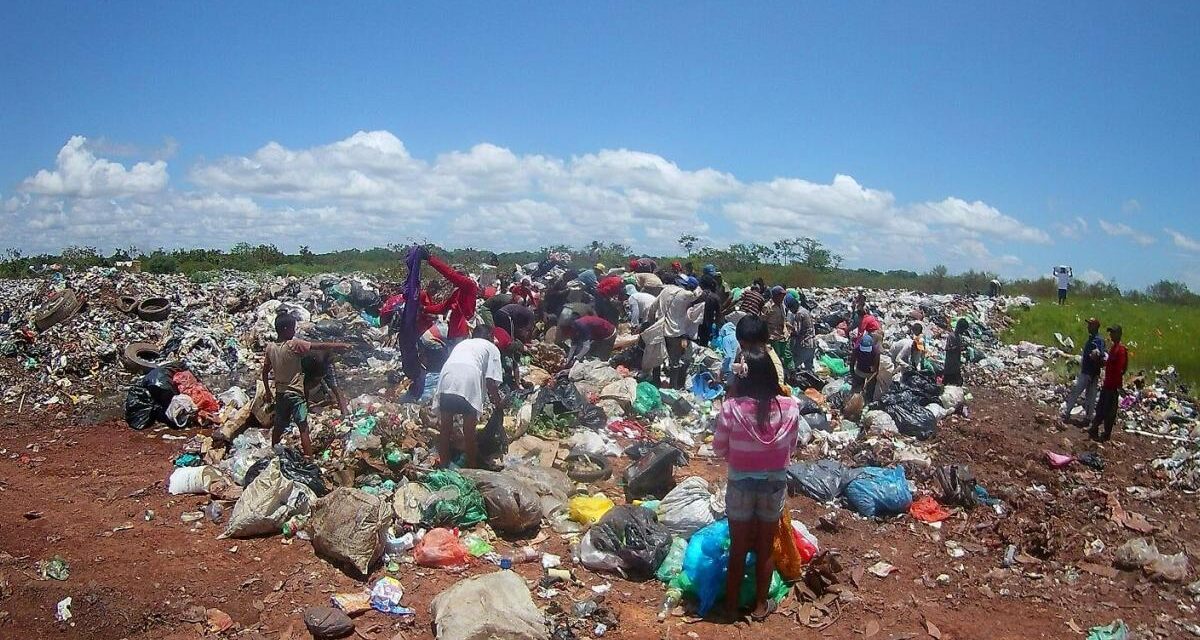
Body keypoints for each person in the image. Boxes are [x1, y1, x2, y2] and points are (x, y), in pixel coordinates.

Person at [712, 348, 801, 622]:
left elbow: (718, 448)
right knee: (765, 546)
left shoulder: (731, 408)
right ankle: (761, 606)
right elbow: (792, 446)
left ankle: (730, 607)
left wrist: (739, 457)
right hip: (773, 484)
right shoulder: (790, 407)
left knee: (738, 547)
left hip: (740, 483)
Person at [261, 311, 351, 456]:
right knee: (303, 428)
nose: (294, 331)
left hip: (280, 394)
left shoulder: (270, 347)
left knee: (279, 425)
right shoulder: (294, 344)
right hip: (296, 394)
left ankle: (274, 452)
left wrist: (268, 391)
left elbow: (264, 372)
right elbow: (319, 346)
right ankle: (309, 460)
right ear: (285, 330)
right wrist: (340, 345)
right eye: (292, 328)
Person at [432, 325, 506, 469]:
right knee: (469, 431)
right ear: (490, 337)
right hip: (468, 379)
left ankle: (444, 465)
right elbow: (491, 381)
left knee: (445, 428)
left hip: (447, 376)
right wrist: (498, 402)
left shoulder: (463, 343)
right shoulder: (491, 348)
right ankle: (471, 469)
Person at [646, 275, 704, 388]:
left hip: (660, 329)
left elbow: (653, 307)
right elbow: (698, 293)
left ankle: (656, 383)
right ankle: (673, 387)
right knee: (675, 362)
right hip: (675, 332)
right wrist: (696, 286)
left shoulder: (665, 291)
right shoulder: (685, 294)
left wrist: (651, 323)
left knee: (657, 358)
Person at [423, 249, 480, 345]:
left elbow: (450, 274)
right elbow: (443, 308)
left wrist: (430, 259)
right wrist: (424, 308)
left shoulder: (469, 285)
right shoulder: (457, 292)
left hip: (462, 333)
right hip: (454, 332)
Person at [1061, 318, 1105, 424]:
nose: (1088, 327)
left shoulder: (1098, 340)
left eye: (1090, 325)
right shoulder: (1092, 338)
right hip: (1088, 371)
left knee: (1081, 392)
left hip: (1090, 372)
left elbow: (1100, 353)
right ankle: (1084, 416)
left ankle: (1073, 413)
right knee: (1087, 394)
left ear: (1095, 326)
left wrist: (1095, 355)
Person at [1090, 325, 1128, 442]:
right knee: (1101, 407)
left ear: (1119, 334)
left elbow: (1121, 368)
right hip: (1107, 383)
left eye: (1113, 333)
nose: (1111, 335)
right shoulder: (1113, 348)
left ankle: (1106, 433)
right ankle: (1095, 428)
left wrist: (1118, 384)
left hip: (1113, 386)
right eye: (1110, 333)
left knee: (1109, 411)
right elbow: (1110, 364)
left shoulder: (1120, 350)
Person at [761, 286, 794, 373]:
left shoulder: (782, 305)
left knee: (787, 356)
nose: (782, 297)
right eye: (780, 295)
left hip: (783, 335)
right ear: (775, 295)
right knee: (776, 358)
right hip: (772, 336)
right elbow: (762, 321)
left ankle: (788, 373)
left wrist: (790, 327)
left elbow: (784, 319)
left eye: (783, 295)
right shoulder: (768, 306)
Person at [787, 293, 816, 372]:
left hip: (804, 344)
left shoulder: (799, 314)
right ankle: (814, 383)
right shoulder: (805, 310)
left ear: (793, 307)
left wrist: (787, 330)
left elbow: (797, 331)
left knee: (793, 365)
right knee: (809, 368)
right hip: (812, 343)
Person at [850, 333, 880, 400]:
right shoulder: (875, 351)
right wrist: (853, 374)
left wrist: (853, 374)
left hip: (866, 373)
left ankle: (864, 400)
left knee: (866, 391)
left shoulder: (875, 352)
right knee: (861, 391)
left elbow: (852, 362)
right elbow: (852, 362)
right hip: (861, 372)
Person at [942, 318, 969, 386]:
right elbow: (947, 349)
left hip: (956, 366)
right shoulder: (951, 336)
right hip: (949, 366)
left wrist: (962, 348)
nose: (963, 331)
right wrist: (957, 347)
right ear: (959, 327)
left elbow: (958, 349)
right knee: (946, 384)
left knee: (958, 384)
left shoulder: (959, 337)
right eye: (963, 329)